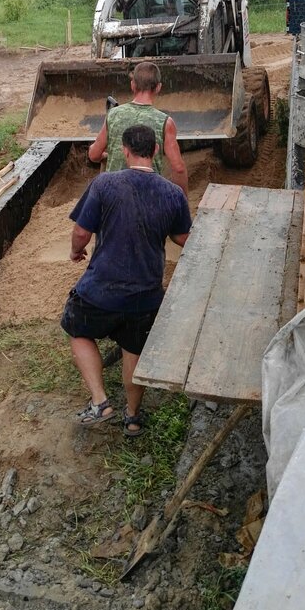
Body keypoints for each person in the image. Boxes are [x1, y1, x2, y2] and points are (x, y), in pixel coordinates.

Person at [62, 124, 192, 436]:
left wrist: (75, 251)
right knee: (134, 349)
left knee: (77, 330)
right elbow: (183, 237)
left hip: (99, 291)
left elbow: (82, 231)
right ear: (156, 151)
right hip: (145, 295)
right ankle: (132, 417)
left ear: (124, 150)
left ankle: (100, 401)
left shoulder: (104, 184)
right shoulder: (172, 194)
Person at [87, 61, 189, 197]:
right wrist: (183, 202)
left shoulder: (114, 114)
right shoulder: (165, 122)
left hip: (113, 199)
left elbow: (93, 155)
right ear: (158, 87)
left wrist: (104, 155)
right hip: (148, 199)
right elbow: (178, 168)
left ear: (132, 85)